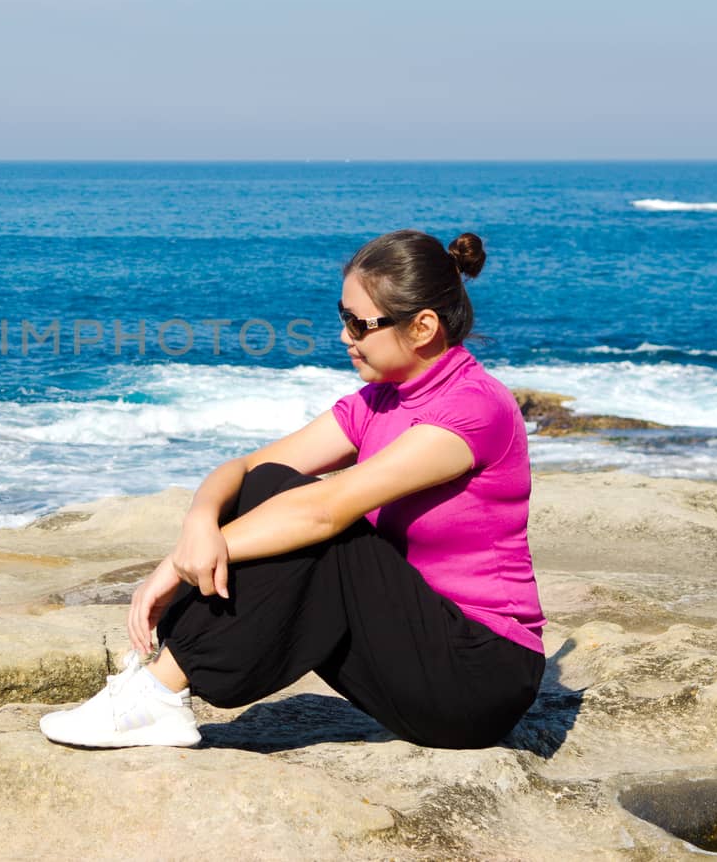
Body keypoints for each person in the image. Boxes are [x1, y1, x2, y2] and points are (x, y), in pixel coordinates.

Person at [40, 229, 546, 750]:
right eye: (342, 316)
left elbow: (325, 511)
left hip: (478, 676)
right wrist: (197, 527)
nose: (344, 336)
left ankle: (158, 692)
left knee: (318, 531)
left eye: (359, 323)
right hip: (409, 653)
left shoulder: (474, 408)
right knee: (268, 486)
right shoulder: (378, 402)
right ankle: (161, 686)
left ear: (422, 327)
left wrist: (177, 568)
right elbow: (246, 468)